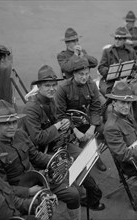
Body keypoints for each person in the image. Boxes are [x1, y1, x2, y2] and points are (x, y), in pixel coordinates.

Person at [21, 65, 105, 210]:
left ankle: (91, 195)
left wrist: (65, 124)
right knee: (76, 164)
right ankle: (87, 196)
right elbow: (37, 139)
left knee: (84, 158)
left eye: (54, 85)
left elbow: (59, 119)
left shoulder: (51, 100)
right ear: (39, 87)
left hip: (57, 144)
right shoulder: (31, 108)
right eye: (47, 85)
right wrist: (58, 126)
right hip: (43, 152)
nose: (52, 89)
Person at [0, 100, 82, 220]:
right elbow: (3, 187)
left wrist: (59, 160)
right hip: (19, 192)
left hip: (38, 179)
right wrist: (28, 191)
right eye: (6, 124)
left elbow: (36, 156)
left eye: (14, 122)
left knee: (73, 194)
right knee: (43, 210)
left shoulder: (20, 134)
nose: (12, 127)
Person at [55, 57, 107, 172]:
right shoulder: (63, 88)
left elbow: (95, 107)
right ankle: (77, 163)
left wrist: (92, 127)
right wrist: (75, 130)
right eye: (81, 74)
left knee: (104, 129)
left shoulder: (92, 85)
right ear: (74, 74)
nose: (84, 77)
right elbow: (60, 114)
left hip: (85, 120)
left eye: (87, 74)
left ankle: (95, 155)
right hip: (68, 123)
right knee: (68, 140)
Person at [98, 27, 137, 96]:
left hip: (128, 82)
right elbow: (101, 67)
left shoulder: (131, 51)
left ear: (124, 40)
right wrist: (110, 71)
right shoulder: (107, 51)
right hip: (111, 82)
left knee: (135, 97)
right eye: (115, 38)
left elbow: (136, 71)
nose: (117, 41)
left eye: (119, 39)